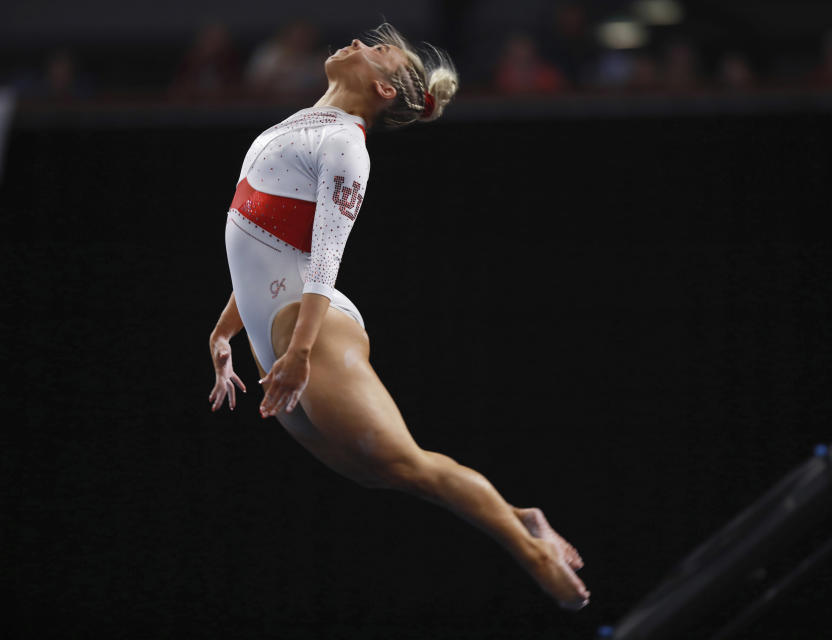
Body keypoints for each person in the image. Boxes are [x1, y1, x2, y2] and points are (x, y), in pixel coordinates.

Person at [207, 23, 590, 611]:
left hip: (306, 331)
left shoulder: (346, 147)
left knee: (408, 463)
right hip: (278, 331)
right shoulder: (294, 128)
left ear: (384, 88)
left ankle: (531, 546)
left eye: (375, 49)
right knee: (376, 474)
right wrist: (225, 329)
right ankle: (518, 516)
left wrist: (301, 353)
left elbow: (326, 258)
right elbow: (269, 241)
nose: (357, 45)